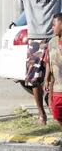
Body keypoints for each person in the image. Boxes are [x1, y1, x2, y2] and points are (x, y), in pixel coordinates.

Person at [0, 0, 60, 125]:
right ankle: (41, 113)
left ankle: (54, 108)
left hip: (54, 41)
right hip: (35, 41)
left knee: (56, 77)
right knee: (33, 80)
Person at [44, 13, 62, 142]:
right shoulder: (52, 42)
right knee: (56, 113)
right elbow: (48, 62)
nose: (52, 28)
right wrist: (46, 79)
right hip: (57, 86)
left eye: (54, 25)